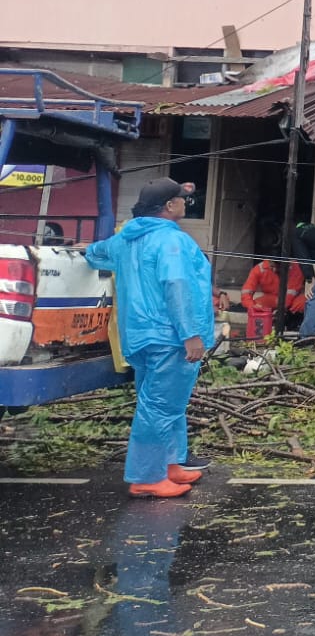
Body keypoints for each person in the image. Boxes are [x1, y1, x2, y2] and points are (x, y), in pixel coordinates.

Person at [83, 178, 215, 499]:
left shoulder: (125, 239)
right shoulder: (172, 241)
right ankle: (146, 477)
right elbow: (176, 286)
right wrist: (190, 335)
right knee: (160, 406)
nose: (185, 203)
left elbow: (94, 254)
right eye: (181, 199)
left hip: (140, 336)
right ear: (169, 206)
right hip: (172, 337)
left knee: (166, 403)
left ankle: (169, 465)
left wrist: (82, 248)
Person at [240, 256, 305, 327]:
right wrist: (252, 306)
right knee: (258, 304)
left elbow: (291, 294)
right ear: (268, 261)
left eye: (278, 267)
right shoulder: (259, 268)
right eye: (272, 266)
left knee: (304, 303)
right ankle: (263, 323)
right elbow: (246, 292)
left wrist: (280, 310)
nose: (274, 270)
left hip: (291, 301)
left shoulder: (295, 267)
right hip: (272, 300)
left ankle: (292, 321)